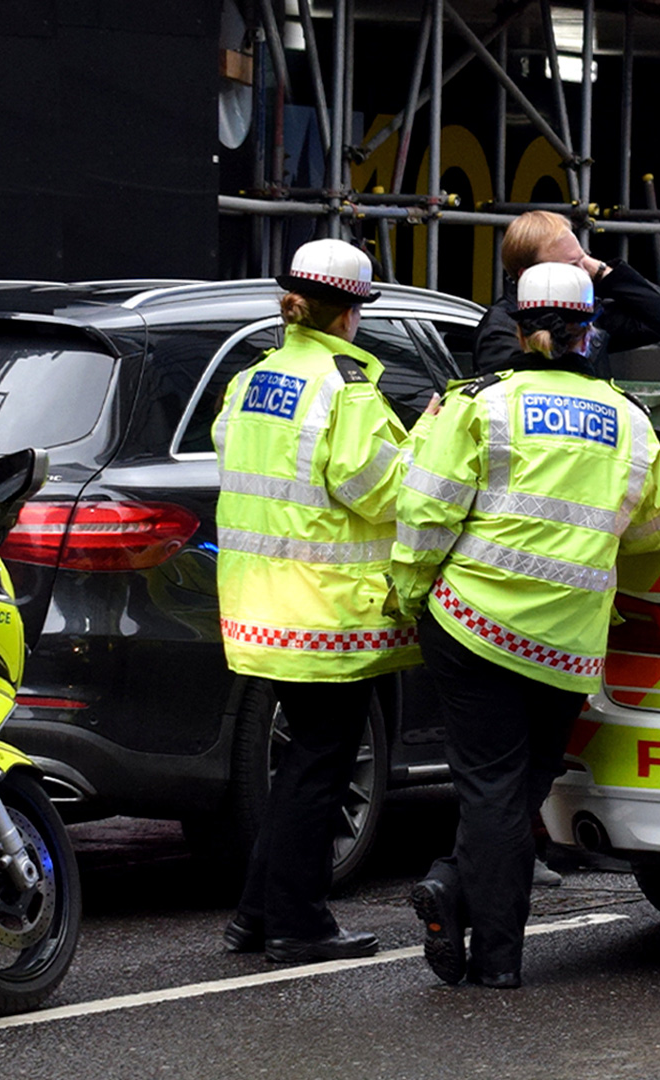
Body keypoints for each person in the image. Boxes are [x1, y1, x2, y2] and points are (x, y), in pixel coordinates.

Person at [396, 262, 660, 989]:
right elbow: (654, 531)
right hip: (565, 647)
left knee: (490, 789)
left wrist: (409, 595)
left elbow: (426, 512)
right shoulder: (628, 418)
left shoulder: (478, 405)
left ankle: (483, 938)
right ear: (589, 334)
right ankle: (477, 928)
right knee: (521, 791)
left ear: (518, 328)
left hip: (471, 625)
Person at [214, 239, 419, 964]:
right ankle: (298, 921)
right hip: (326, 610)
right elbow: (380, 491)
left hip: (259, 605)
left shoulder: (252, 380)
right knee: (319, 765)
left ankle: (255, 917)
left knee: (306, 758)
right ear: (349, 314)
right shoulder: (346, 391)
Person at [472, 210, 660, 379]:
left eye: (585, 260)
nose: (584, 273)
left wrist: (601, 271)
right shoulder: (500, 329)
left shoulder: (584, 312)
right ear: (530, 274)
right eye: (572, 265)